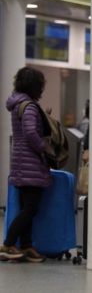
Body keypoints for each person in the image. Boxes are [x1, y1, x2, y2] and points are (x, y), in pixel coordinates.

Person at [1, 67, 52, 263]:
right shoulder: (29, 106)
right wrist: (43, 147)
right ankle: (8, 243)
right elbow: (31, 132)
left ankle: (26, 245)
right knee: (30, 208)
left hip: (21, 163)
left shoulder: (18, 104)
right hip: (31, 163)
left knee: (27, 207)